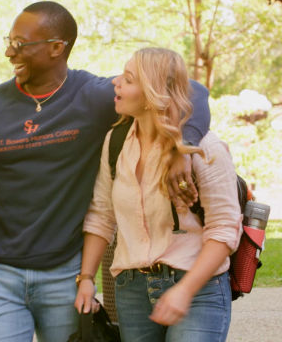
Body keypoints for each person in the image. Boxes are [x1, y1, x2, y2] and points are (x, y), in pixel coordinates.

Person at [0, 1, 211, 342]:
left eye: (21, 44)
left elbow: (193, 92)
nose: (10, 52)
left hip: (66, 273)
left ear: (58, 48)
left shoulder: (95, 97)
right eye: (9, 41)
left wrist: (182, 148)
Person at [75, 47, 242, 341]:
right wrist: (86, 278)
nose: (116, 82)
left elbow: (225, 229)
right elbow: (101, 214)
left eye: (128, 79)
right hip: (131, 290)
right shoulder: (115, 144)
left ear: (152, 93)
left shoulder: (205, 149)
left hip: (197, 288)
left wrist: (185, 290)